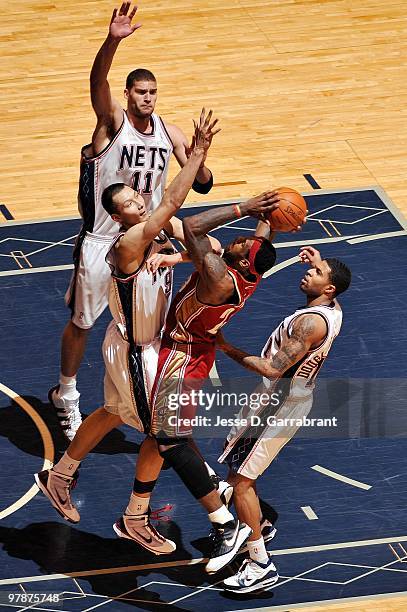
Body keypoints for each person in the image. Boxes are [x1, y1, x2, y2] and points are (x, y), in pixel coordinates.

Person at [35, 109, 220, 556]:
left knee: (112, 413)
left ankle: (58, 476)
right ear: (120, 219)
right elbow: (174, 204)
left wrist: (177, 257)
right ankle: (136, 518)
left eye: (139, 201)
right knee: (163, 434)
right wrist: (196, 154)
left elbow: (208, 245)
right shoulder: (129, 242)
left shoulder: (156, 231)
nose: (141, 204)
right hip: (138, 351)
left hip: (133, 344)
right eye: (132, 207)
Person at [50, 3, 215, 440]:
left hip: (148, 240)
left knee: (148, 329)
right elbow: (96, 81)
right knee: (83, 323)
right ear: (127, 94)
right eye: (140, 91)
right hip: (103, 240)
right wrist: (113, 41)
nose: (147, 98)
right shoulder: (113, 123)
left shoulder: (171, 132)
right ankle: (66, 394)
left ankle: (153, 395)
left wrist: (200, 154)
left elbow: (200, 184)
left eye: (152, 92)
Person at [129, 194, 300, 574]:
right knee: (170, 434)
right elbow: (259, 244)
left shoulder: (220, 278)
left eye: (241, 244)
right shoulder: (248, 271)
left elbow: (192, 227)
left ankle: (225, 522)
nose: (238, 239)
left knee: (168, 439)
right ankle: (210, 497)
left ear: (240, 260)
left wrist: (245, 206)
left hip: (183, 357)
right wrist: (269, 213)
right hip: (196, 353)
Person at [215, 246, 351, 593]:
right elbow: (331, 289)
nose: (308, 272)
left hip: (277, 405)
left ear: (329, 288)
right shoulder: (333, 310)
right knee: (237, 471)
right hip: (286, 399)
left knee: (241, 481)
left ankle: (260, 563)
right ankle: (258, 522)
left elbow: (272, 369)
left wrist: (222, 345)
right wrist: (319, 262)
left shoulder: (309, 323)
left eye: (317, 272)